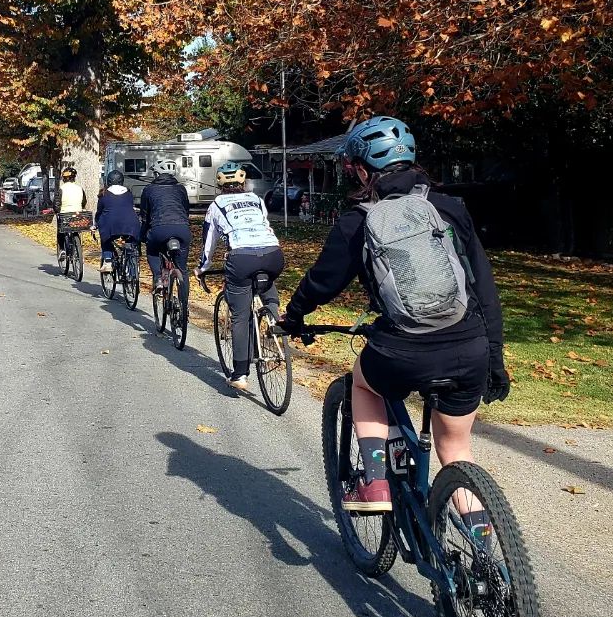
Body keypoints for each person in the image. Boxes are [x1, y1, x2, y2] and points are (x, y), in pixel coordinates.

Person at [281, 116, 509, 523]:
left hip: (402, 350)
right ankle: (489, 558)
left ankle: (374, 480)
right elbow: (484, 289)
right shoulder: (450, 208)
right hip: (468, 345)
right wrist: (494, 359)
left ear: (362, 168)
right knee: (457, 450)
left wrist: (295, 315)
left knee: (362, 383)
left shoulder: (358, 219)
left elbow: (322, 281)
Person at [195, 162, 285, 390]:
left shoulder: (216, 204)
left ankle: (240, 374)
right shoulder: (256, 199)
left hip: (241, 257)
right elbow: (264, 223)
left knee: (240, 316)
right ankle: (273, 317)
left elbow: (209, 242)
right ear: (243, 182)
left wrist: (202, 268)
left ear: (219, 184)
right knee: (267, 283)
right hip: (274, 253)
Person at [139, 158, 191, 310]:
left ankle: (158, 279)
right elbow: (185, 210)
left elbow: (145, 216)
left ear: (156, 174)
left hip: (159, 229)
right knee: (182, 269)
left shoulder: (148, 189)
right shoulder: (181, 189)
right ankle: (184, 306)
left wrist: (143, 235)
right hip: (182, 229)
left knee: (152, 250)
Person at [93, 169, 140, 274]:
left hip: (111, 226)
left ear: (108, 181)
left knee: (106, 240)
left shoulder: (104, 194)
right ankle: (133, 274)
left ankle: (108, 261)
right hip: (131, 224)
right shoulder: (128, 193)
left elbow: (99, 212)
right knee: (131, 244)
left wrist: (96, 224)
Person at [53, 165, 87, 265]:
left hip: (65, 215)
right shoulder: (79, 188)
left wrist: (57, 211)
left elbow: (56, 204)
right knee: (76, 230)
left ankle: (62, 249)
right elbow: (84, 201)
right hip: (77, 215)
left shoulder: (61, 189)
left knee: (61, 231)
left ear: (64, 178)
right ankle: (78, 248)